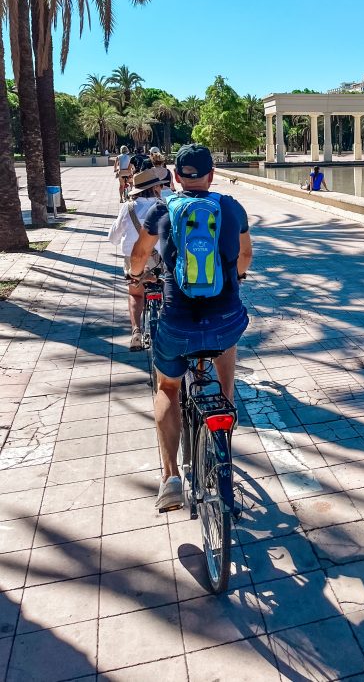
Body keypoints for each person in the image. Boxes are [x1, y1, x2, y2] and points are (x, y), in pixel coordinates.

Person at [129, 144, 253, 512]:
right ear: (211, 175)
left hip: (176, 321)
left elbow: (139, 256)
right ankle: (225, 408)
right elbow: (245, 256)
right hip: (225, 316)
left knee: (168, 387)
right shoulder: (231, 207)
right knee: (225, 339)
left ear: (177, 178)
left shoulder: (162, 209)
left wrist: (135, 276)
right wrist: (236, 275)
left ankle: (170, 478)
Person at [107, 168, 164, 349]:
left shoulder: (128, 208)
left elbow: (113, 238)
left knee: (135, 293)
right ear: (156, 187)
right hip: (160, 261)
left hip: (134, 261)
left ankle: (136, 331)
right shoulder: (165, 206)